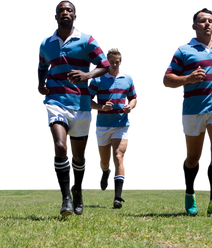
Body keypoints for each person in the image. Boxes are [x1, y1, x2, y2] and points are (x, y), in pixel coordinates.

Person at [160, 5, 212, 216]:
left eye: (211, 21)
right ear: (192, 26)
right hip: (192, 110)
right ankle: (189, 194)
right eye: (203, 20)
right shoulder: (182, 49)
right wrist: (188, 78)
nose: (207, 24)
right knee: (192, 159)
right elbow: (165, 81)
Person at [36, 1, 109, 216]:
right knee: (59, 145)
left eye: (69, 11)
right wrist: (40, 82)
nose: (65, 13)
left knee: (79, 157)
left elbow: (104, 65)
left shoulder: (88, 39)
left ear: (76, 16)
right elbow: (41, 66)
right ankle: (66, 198)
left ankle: (78, 192)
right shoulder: (45, 42)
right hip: (55, 101)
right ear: (54, 17)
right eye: (60, 11)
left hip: (81, 104)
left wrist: (87, 75)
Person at [88, 45, 140, 209]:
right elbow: (88, 101)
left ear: (122, 61)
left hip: (122, 124)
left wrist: (131, 106)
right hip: (102, 125)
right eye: (111, 62)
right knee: (104, 161)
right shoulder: (98, 78)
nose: (115, 65)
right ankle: (104, 173)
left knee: (119, 156)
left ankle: (118, 197)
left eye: (118, 62)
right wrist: (100, 107)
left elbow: (136, 98)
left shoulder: (129, 77)